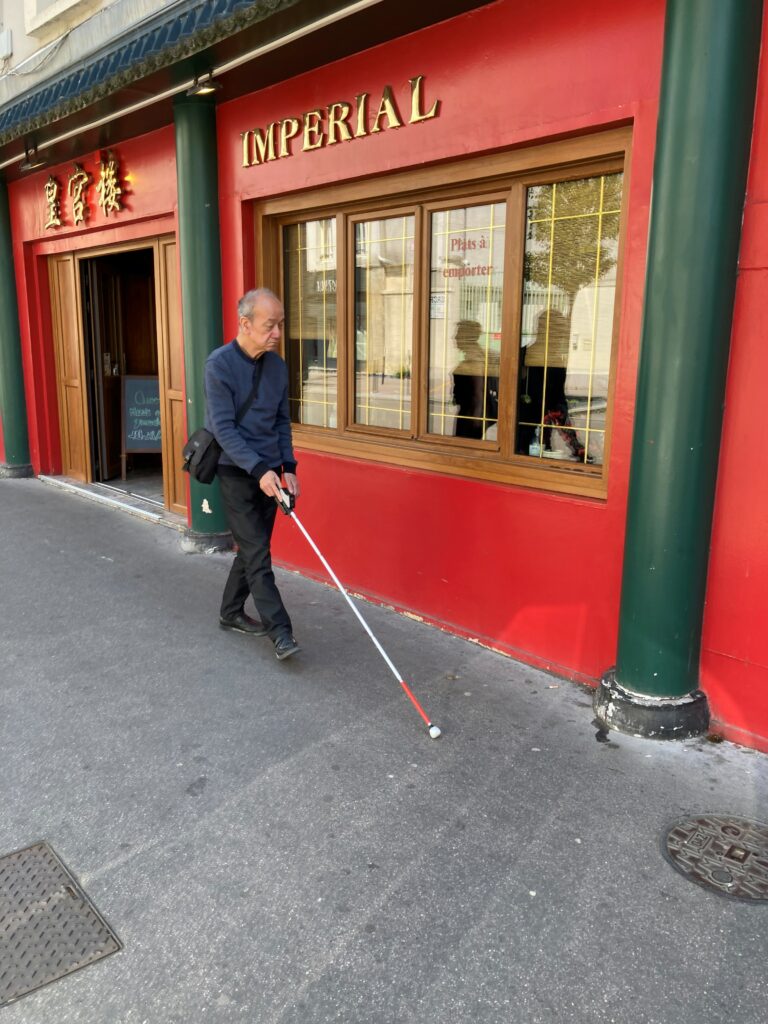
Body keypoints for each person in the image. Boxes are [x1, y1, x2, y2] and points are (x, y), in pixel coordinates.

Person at [204, 288, 301, 661]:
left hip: (270, 473)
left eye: (280, 324)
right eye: (269, 325)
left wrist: (288, 467)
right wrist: (260, 469)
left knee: (253, 548)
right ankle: (281, 631)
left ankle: (230, 613)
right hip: (236, 470)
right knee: (258, 552)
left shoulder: (277, 366)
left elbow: (280, 421)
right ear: (245, 324)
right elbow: (224, 429)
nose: (277, 333)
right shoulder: (219, 365)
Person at [451, 320, 498, 439]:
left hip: (470, 415)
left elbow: (478, 392)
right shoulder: (480, 355)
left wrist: (477, 418)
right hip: (471, 413)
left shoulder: (474, 360)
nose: (454, 337)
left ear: (465, 337)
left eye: (458, 334)